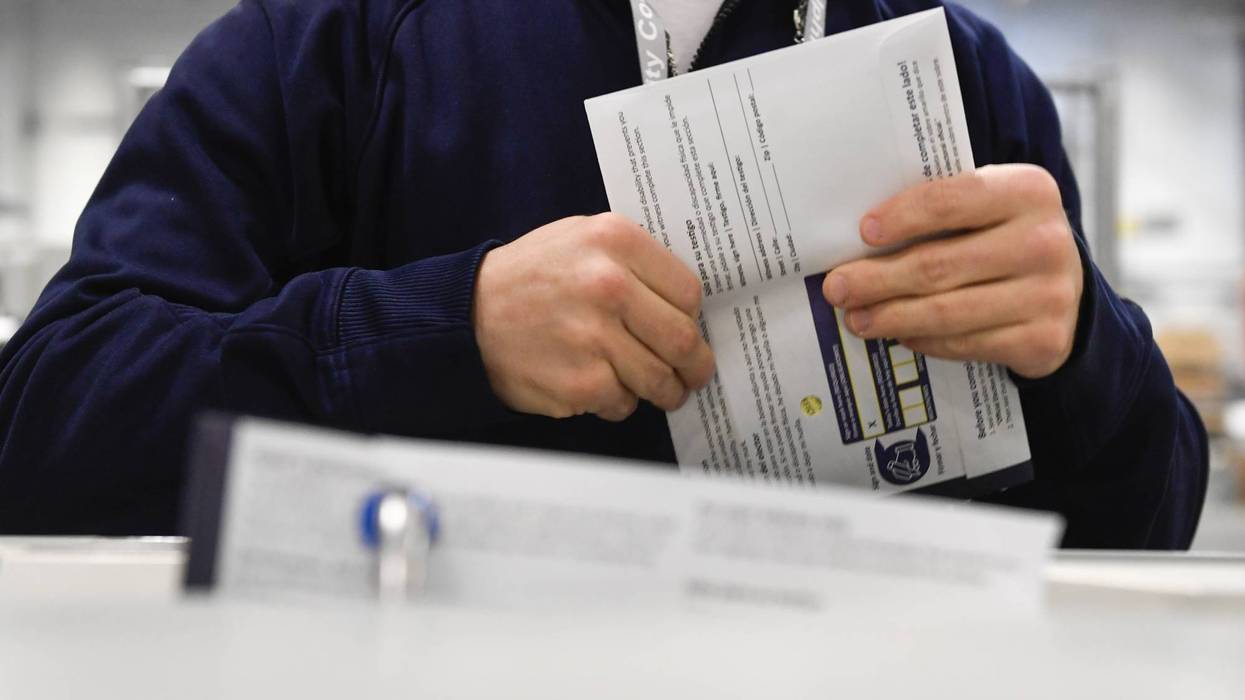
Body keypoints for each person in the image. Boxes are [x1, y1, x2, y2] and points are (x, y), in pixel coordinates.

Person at [0, 0, 1207, 547]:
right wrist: (443, 331)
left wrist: (1082, 353)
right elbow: (43, 428)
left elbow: (1139, 530)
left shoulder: (966, 78)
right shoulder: (324, 46)